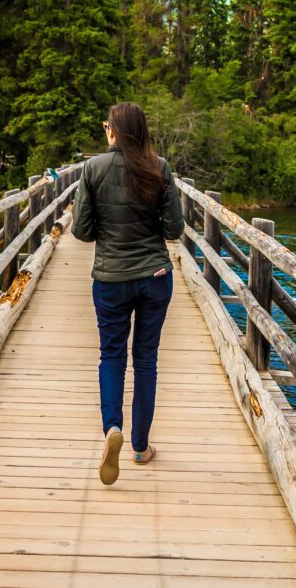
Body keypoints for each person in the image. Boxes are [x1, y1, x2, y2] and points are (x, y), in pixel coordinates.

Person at [71, 101, 183, 486]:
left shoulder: (93, 168)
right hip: (154, 276)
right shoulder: (160, 167)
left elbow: (82, 232)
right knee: (146, 359)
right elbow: (173, 228)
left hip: (111, 279)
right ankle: (140, 446)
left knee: (112, 355)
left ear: (113, 130)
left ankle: (111, 429)